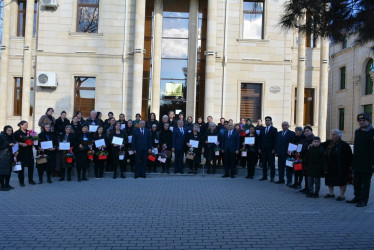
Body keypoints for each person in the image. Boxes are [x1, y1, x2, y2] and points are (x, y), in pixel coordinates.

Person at [347, 113, 374, 207]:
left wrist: (372, 163)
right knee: (356, 182)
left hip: (367, 163)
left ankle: (363, 200)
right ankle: (357, 197)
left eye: (364, 121)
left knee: (365, 183)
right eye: (360, 121)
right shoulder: (358, 131)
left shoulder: (372, 132)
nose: (361, 122)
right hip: (357, 162)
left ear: (368, 121)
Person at [323, 129, 352, 201]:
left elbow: (349, 156)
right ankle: (331, 194)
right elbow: (319, 145)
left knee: (342, 180)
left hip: (341, 166)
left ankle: (341, 195)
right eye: (332, 134)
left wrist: (350, 166)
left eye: (334, 134)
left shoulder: (344, 145)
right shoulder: (329, 143)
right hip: (330, 165)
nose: (332, 136)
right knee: (329, 180)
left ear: (339, 136)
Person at [14, 121, 37, 186]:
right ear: (21, 125)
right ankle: (21, 181)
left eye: (27, 125)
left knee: (31, 166)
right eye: (25, 125)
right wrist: (21, 143)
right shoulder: (17, 133)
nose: (26, 126)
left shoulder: (30, 132)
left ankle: (31, 180)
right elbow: (14, 141)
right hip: (21, 152)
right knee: (21, 167)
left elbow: (35, 140)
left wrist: (33, 142)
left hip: (29, 151)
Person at [258, 116, 278, 181]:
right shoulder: (262, 129)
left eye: (268, 120)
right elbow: (260, 139)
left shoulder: (274, 129)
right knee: (264, 164)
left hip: (271, 150)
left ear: (271, 121)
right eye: (266, 120)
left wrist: (274, 149)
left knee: (272, 164)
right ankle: (264, 176)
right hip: (263, 150)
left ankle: (272, 177)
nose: (267, 121)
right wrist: (259, 148)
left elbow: (275, 140)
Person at [299, 126, 315, 193]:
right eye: (305, 131)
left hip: (309, 160)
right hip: (304, 159)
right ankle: (306, 187)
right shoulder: (306, 138)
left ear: (311, 131)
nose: (306, 132)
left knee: (308, 175)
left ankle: (309, 189)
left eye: (307, 131)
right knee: (305, 174)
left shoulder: (313, 139)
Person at [0, 126, 16, 191]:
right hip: (2, 157)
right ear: (5, 130)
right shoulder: (1, 136)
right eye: (8, 130)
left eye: (11, 130)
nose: (10, 132)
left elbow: (14, 143)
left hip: (10, 156)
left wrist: (16, 149)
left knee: (9, 172)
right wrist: (8, 145)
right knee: (2, 172)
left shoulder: (12, 136)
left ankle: (7, 184)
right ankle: (2, 186)